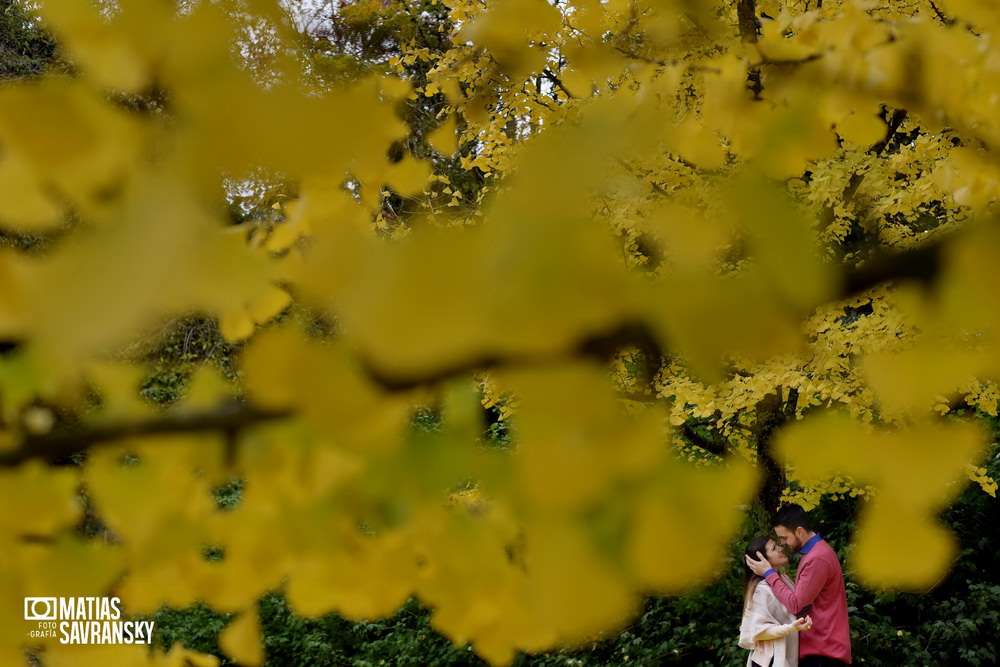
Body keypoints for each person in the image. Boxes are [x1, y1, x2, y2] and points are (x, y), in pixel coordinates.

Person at [745, 504, 852, 667]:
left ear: (799, 531)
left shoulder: (817, 558)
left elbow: (796, 604)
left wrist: (769, 573)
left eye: (784, 538)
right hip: (819, 650)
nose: (783, 544)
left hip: (823, 651)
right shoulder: (813, 555)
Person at [740, 535, 813, 667]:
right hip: (769, 661)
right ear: (762, 559)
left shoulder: (783, 579)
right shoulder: (760, 590)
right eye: (774, 548)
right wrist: (790, 628)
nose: (780, 548)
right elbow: (758, 631)